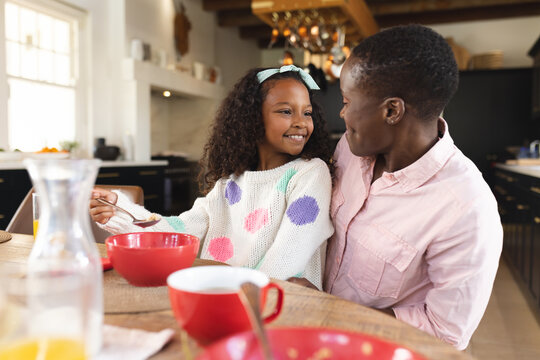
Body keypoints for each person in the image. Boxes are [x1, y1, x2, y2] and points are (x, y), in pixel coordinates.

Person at [323, 24, 503, 350]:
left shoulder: (466, 207)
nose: (342, 112)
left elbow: (445, 331)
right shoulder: (350, 151)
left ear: (392, 110)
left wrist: (334, 320)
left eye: (348, 101)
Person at [90, 65, 334, 290]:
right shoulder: (228, 185)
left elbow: (287, 258)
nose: (301, 123)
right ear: (252, 119)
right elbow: (179, 231)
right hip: (222, 298)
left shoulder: (310, 173)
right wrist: (121, 212)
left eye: (307, 113)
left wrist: (232, 297)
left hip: (277, 306)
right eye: (286, 111)